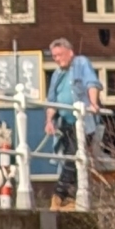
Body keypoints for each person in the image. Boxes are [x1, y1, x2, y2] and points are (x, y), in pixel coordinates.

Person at [43, 38, 103, 206]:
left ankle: (58, 194)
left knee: (73, 155)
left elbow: (92, 83)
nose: (56, 59)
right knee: (70, 158)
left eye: (59, 55)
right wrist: (49, 121)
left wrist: (93, 103)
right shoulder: (56, 74)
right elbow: (52, 101)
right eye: (54, 56)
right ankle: (72, 196)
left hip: (84, 122)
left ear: (70, 52)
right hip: (66, 123)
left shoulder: (81, 63)